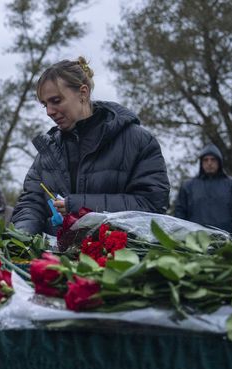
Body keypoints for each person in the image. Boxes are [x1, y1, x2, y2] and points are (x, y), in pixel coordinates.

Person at [11, 57, 169, 235]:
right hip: (56, 259)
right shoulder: (48, 151)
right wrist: (20, 239)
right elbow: (31, 204)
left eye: (56, 101)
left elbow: (151, 205)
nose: (49, 111)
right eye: (45, 104)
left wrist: (78, 206)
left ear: (83, 93)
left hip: (118, 259)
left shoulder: (138, 141)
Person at [174, 144, 232, 233]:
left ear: (219, 162)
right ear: (201, 163)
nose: (209, 163)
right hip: (195, 241)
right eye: (206, 160)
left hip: (227, 242)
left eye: (213, 159)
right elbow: (180, 217)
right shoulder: (188, 187)